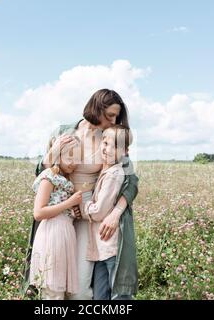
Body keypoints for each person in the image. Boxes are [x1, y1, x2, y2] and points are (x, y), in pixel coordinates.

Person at [23, 88, 139, 300]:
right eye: (110, 115)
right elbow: (42, 174)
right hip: (57, 215)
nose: (114, 120)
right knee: (53, 282)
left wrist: (114, 215)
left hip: (87, 216)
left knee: (79, 289)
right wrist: (52, 152)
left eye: (116, 116)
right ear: (97, 108)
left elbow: (131, 181)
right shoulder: (62, 132)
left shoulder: (110, 139)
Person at [81, 125, 133, 300]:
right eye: (105, 143)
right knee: (101, 294)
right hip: (102, 246)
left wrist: (85, 206)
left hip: (110, 246)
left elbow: (98, 212)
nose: (108, 149)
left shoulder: (113, 174)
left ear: (125, 152)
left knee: (118, 294)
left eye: (115, 146)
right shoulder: (105, 170)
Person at [29, 141, 83, 300]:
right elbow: (38, 213)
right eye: (70, 157)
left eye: (78, 158)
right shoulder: (48, 178)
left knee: (61, 290)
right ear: (58, 155)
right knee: (52, 290)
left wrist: (73, 212)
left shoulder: (66, 181)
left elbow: (60, 207)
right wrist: (69, 203)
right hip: (52, 234)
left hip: (65, 233)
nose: (74, 162)